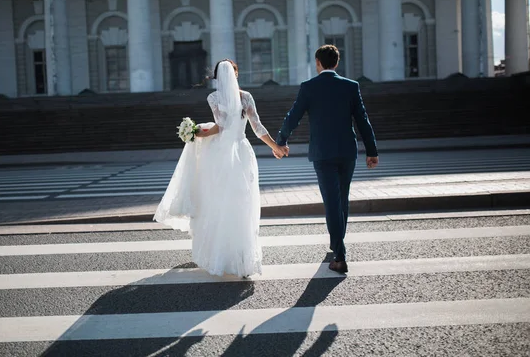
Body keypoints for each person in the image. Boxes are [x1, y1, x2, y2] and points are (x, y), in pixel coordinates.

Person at [154, 59, 288, 277]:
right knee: (243, 203)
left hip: (219, 155)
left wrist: (197, 132)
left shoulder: (214, 97)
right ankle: (243, 259)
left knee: (218, 205)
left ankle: (221, 256)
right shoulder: (246, 97)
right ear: (236, 74)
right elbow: (257, 127)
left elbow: (220, 126)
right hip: (242, 152)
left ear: (216, 77)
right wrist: (276, 147)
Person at [275, 45, 379, 274]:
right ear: (336, 63)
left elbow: (293, 117)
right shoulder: (351, 86)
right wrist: (372, 151)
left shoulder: (309, 87)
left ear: (318, 63)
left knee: (332, 201)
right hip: (347, 152)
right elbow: (363, 120)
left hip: (323, 153)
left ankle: (340, 256)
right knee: (342, 200)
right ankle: (336, 243)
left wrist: (280, 141)